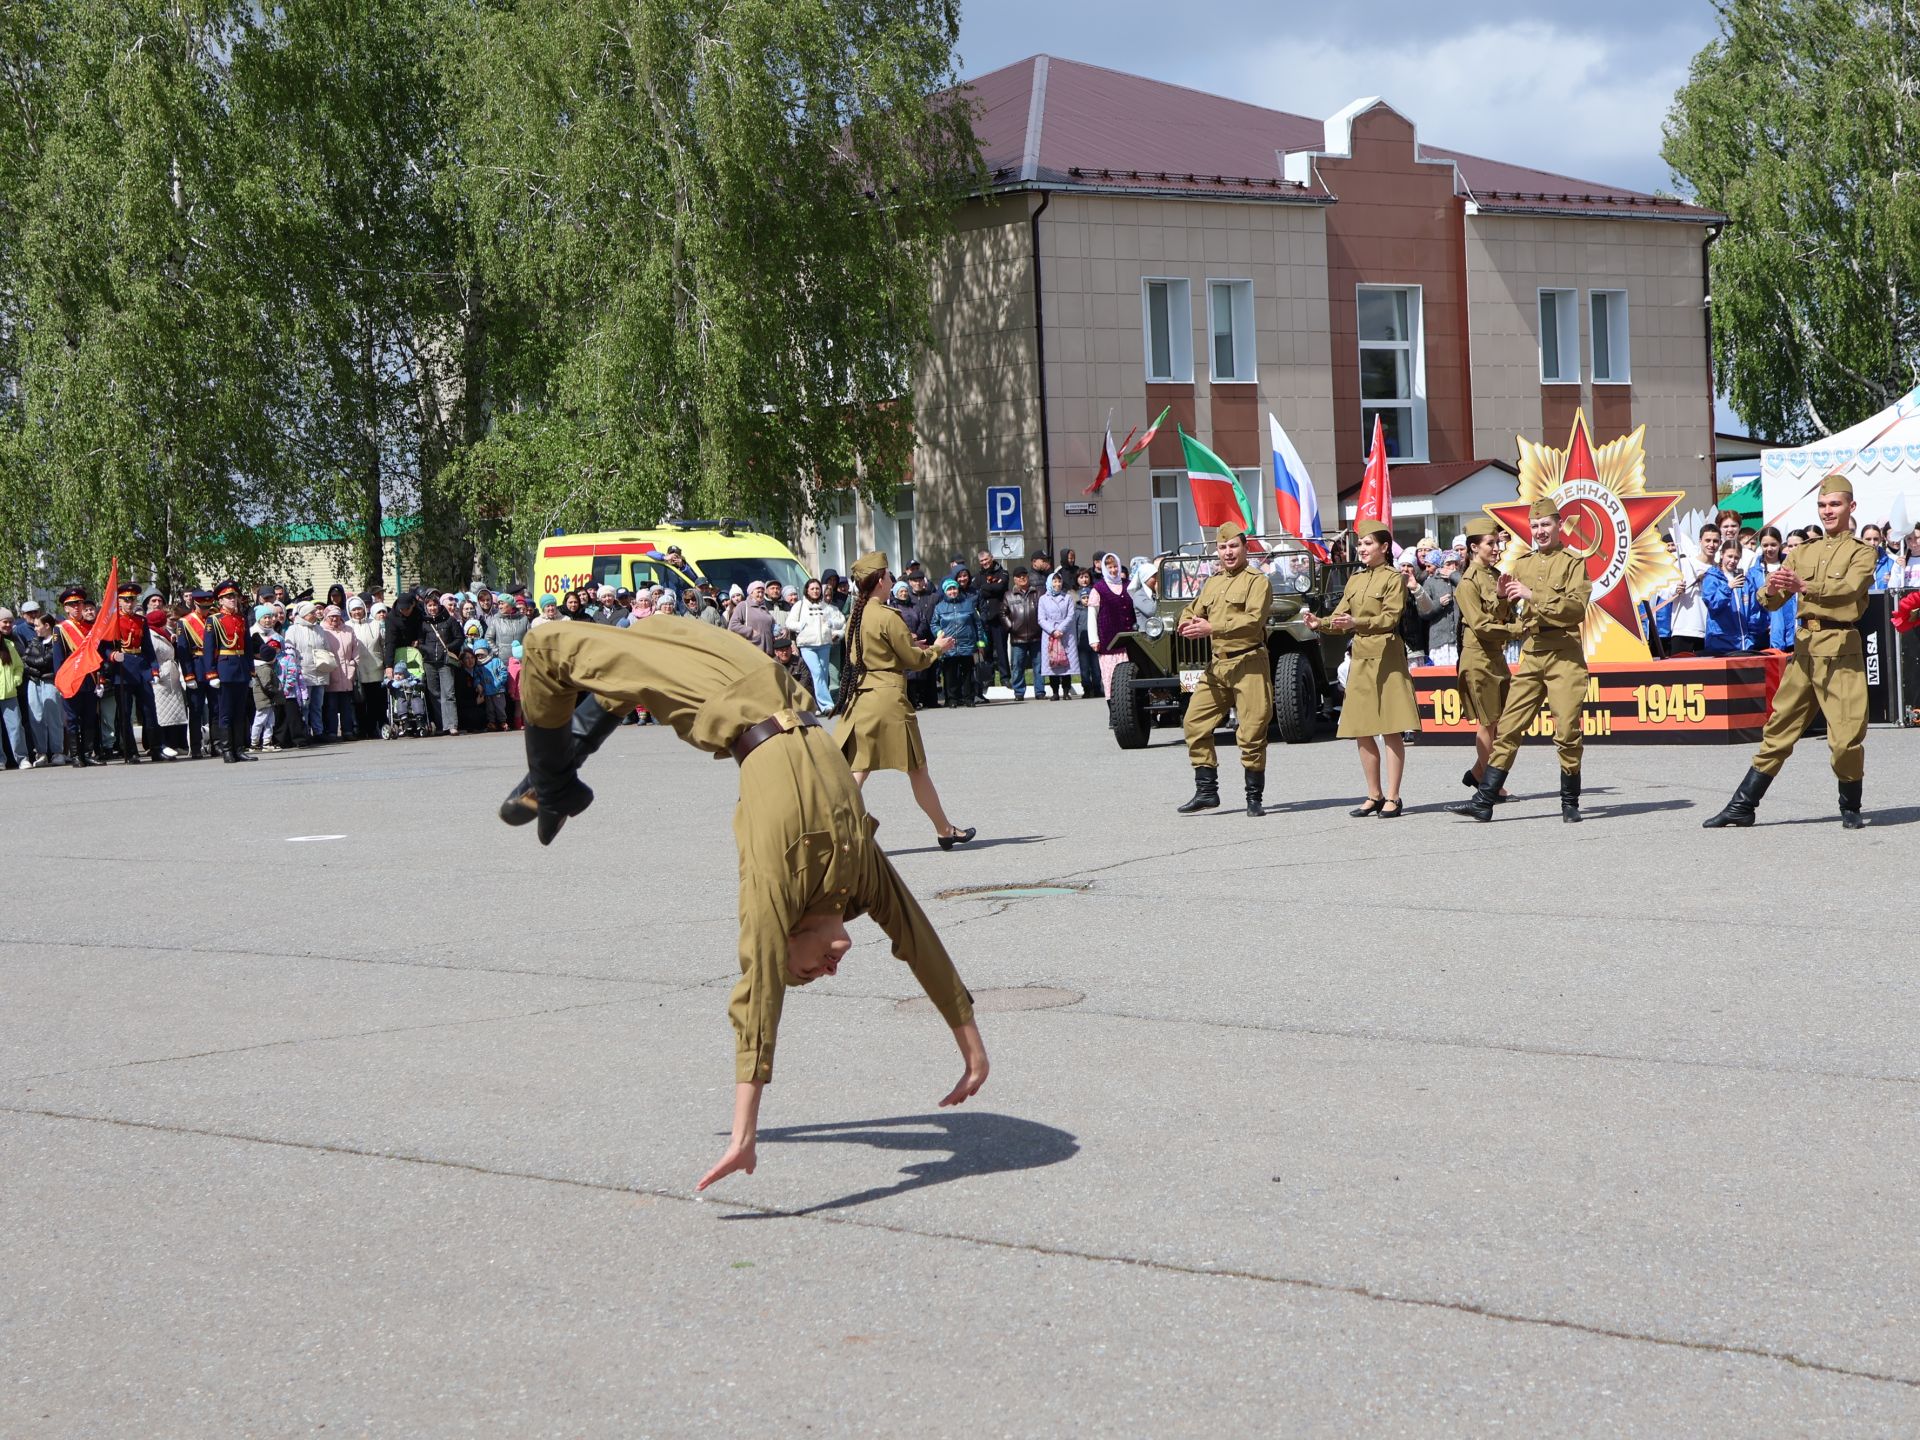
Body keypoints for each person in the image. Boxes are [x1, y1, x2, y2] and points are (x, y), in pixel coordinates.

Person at [501, 616, 987, 1188]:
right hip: (761, 677)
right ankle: (558, 780)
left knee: (545, 645)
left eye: (804, 971)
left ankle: (555, 782)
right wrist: (971, 1047)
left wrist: (744, 1134)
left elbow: (759, 990)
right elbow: (918, 939)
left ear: (786, 932)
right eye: (817, 974)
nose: (827, 971)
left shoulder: (776, 886)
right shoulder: (859, 879)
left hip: (715, 695)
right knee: (609, 667)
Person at [1704, 473, 1877, 829]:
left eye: (1835, 504)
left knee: (1845, 738)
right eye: (1823, 505)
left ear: (1851, 507)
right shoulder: (1803, 552)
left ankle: (1851, 805)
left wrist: (1804, 586)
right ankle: (1743, 805)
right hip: (1804, 651)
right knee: (1778, 728)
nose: (1828, 511)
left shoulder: (1862, 552)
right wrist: (1771, 588)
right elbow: (1771, 600)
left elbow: (1848, 589)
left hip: (1840, 649)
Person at [1450, 497, 1593, 823]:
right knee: (1509, 728)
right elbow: (1507, 614)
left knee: (1567, 729)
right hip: (1532, 654)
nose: (1540, 531)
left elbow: (1575, 609)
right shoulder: (1522, 565)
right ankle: (1484, 800)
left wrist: (1533, 595)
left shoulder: (1573, 563)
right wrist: (1502, 597)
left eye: (1546, 525)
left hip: (1564, 655)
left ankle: (1570, 801)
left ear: (1559, 526)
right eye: (1536, 526)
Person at [834, 552, 974, 848]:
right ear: (879, 581)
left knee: (858, 771)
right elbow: (914, 660)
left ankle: (839, 835)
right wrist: (938, 648)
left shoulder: (856, 617)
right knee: (916, 769)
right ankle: (944, 830)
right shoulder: (887, 615)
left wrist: (911, 645)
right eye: (887, 576)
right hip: (888, 700)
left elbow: (873, 652)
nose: (891, 580)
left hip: (862, 698)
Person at [1306, 521, 1417, 817]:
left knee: (1391, 727)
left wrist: (1358, 623)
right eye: (1360, 544)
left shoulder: (1394, 579)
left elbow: (1390, 618)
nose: (1362, 549)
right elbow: (1341, 613)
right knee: (1362, 728)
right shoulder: (1355, 579)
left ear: (1384, 547)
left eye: (1368, 544)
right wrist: (1322, 623)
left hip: (1387, 655)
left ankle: (1393, 796)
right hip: (1362, 656)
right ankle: (1374, 794)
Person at [1173, 522, 1274, 817]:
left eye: (1233, 546)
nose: (1228, 552)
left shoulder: (1258, 581)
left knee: (1252, 732)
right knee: (1194, 723)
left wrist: (1211, 627)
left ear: (1245, 548)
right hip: (1218, 665)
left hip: (1249, 662)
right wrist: (1186, 620)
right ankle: (1207, 791)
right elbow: (1194, 609)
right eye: (1222, 547)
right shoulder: (1213, 582)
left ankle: (1254, 798)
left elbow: (1254, 621)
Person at [1453, 528, 1521, 800]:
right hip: (1478, 655)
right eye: (1490, 543)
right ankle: (1490, 784)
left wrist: (1504, 598)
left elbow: (1501, 614)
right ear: (1473, 547)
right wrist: (1518, 630)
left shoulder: (1494, 576)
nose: (1496, 548)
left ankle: (1479, 772)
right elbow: (1481, 625)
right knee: (1488, 721)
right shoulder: (1468, 582)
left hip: (1494, 654)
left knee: (1501, 721)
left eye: (1497, 543)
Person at [206, 580, 260, 763]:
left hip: (241, 669)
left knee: (240, 712)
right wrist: (212, 673)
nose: (233, 600)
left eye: (234, 597)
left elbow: (248, 648)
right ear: (220, 601)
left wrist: (251, 671)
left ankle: (239, 749)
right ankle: (227, 750)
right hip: (225, 669)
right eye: (229, 597)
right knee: (226, 713)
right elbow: (209, 650)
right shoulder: (214, 620)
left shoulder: (241, 619)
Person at [50, 586, 102, 767]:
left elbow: (96, 655)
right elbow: (58, 658)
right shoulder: (61, 629)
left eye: (79, 603)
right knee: (72, 719)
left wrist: (100, 678)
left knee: (89, 717)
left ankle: (88, 753)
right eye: (72, 604)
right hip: (72, 679)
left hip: (89, 678)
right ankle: (76, 755)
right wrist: (60, 680)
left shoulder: (91, 627)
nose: (77, 607)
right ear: (66, 608)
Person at [786, 578, 844, 715]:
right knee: (817, 672)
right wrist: (801, 626)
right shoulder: (800, 605)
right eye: (812, 588)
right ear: (807, 590)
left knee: (823, 674)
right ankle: (827, 705)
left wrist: (831, 624)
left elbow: (841, 620)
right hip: (807, 645)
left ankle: (816, 705)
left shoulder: (826, 606)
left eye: (817, 588)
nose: (815, 591)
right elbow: (789, 622)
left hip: (824, 644)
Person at [1702, 537, 1763, 655]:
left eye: (1736, 558)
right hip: (1720, 642)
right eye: (1730, 556)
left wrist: (1753, 635)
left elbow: (1753, 610)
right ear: (1721, 555)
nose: (1733, 561)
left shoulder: (1745, 581)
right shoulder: (1712, 577)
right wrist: (1728, 587)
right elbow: (1713, 605)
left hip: (1745, 643)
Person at [146, 597, 189, 757]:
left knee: (174, 711)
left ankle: (175, 742)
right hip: (160, 675)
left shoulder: (163, 633)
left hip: (171, 673)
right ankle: (162, 743)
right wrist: (155, 672)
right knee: (161, 712)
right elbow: (151, 655)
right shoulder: (151, 634)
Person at [20, 610, 63, 765]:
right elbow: (24, 659)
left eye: (38, 625)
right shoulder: (34, 641)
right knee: (36, 717)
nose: (35, 628)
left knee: (53, 717)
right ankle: (41, 752)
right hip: (34, 681)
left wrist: (35, 664)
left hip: (50, 681)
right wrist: (34, 669)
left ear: (47, 625)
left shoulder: (57, 641)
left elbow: (47, 661)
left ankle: (58, 751)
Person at [930, 577, 980, 709]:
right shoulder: (939, 607)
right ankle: (952, 699)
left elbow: (977, 623)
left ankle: (969, 698)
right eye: (949, 589)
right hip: (949, 644)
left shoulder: (968, 604)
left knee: (968, 673)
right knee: (949, 673)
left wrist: (981, 641)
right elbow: (934, 624)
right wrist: (939, 632)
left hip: (967, 643)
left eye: (954, 588)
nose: (952, 591)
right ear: (945, 591)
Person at [1667, 527, 1716, 655]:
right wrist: (1674, 589)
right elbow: (1662, 590)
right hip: (1683, 629)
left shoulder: (1719, 569)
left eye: (1715, 541)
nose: (1711, 544)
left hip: (1709, 632)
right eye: (1708, 540)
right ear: (1700, 541)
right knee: (1679, 673)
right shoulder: (1683, 563)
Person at [1035, 570, 1077, 701]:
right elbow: (1041, 619)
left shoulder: (1068, 597)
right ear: (1049, 583)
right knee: (1052, 663)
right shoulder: (1043, 599)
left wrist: (1061, 629)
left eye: (1059, 581)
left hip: (1065, 633)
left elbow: (1070, 615)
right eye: (1054, 581)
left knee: (1065, 663)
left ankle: (1066, 691)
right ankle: (1055, 692)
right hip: (1050, 634)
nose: (1057, 584)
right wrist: (1053, 630)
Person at [973, 548, 1010, 694]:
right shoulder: (978, 576)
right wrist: (990, 588)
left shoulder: (1002, 572)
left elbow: (1001, 587)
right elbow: (977, 591)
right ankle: (988, 679)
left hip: (999, 617)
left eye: (986, 560)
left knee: (1001, 649)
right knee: (986, 652)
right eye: (981, 561)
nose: (984, 563)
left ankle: (1005, 677)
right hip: (984, 619)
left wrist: (985, 588)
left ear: (992, 558)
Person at [320, 605, 360, 738]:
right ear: (326, 617)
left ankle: (347, 730)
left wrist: (353, 663)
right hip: (331, 672)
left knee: (346, 705)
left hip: (347, 672)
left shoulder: (348, 630)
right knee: (331, 705)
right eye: (331, 616)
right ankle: (331, 732)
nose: (334, 619)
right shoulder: (322, 630)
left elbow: (356, 649)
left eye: (336, 616)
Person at [1004, 568, 1042, 701]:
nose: (1022, 578)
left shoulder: (1037, 593)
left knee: (1039, 666)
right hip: (1017, 638)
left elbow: (1043, 610)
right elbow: (1003, 613)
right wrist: (1011, 627)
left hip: (1036, 635)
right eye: (1019, 576)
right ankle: (1019, 693)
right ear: (1014, 579)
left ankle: (1040, 691)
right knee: (1017, 666)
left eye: (1024, 576)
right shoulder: (1008, 595)